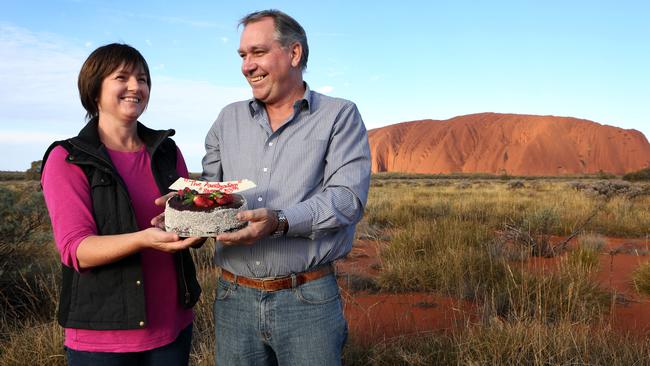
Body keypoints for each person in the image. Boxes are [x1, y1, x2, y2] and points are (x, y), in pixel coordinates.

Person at [202, 9, 371, 365]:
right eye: (243, 56)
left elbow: (347, 198)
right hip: (234, 298)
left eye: (258, 52)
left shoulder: (339, 116)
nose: (248, 66)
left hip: (306, 299)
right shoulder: (227, 119)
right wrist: (186, 206)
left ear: (294, 54)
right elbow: (212, 192)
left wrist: (280, 221)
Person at [41, 43, 202, 366]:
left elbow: (189, 225)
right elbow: (78, 250)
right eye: (122, 77)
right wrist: (144, 238)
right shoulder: (68, 159)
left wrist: (196, 227)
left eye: (142, 79)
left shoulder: (167, 150)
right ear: (94, 89)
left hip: (173, 328)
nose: (135, 87)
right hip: (103, 340)